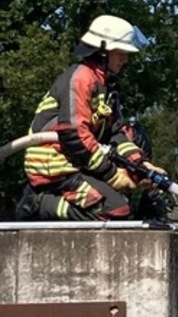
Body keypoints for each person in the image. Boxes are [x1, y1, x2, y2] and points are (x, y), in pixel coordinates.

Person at [15, 14, 167, 222]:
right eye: (121, 52)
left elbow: (116, 133)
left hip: (76, 163)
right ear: (103, 52)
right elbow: (75, 136)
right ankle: (38, 204)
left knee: (122, 208)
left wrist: (141, 165)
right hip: (54, 167)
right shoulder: (81, 79)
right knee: (114, 211)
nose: (126, 59)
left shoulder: (105, 86)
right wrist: (113, 175)